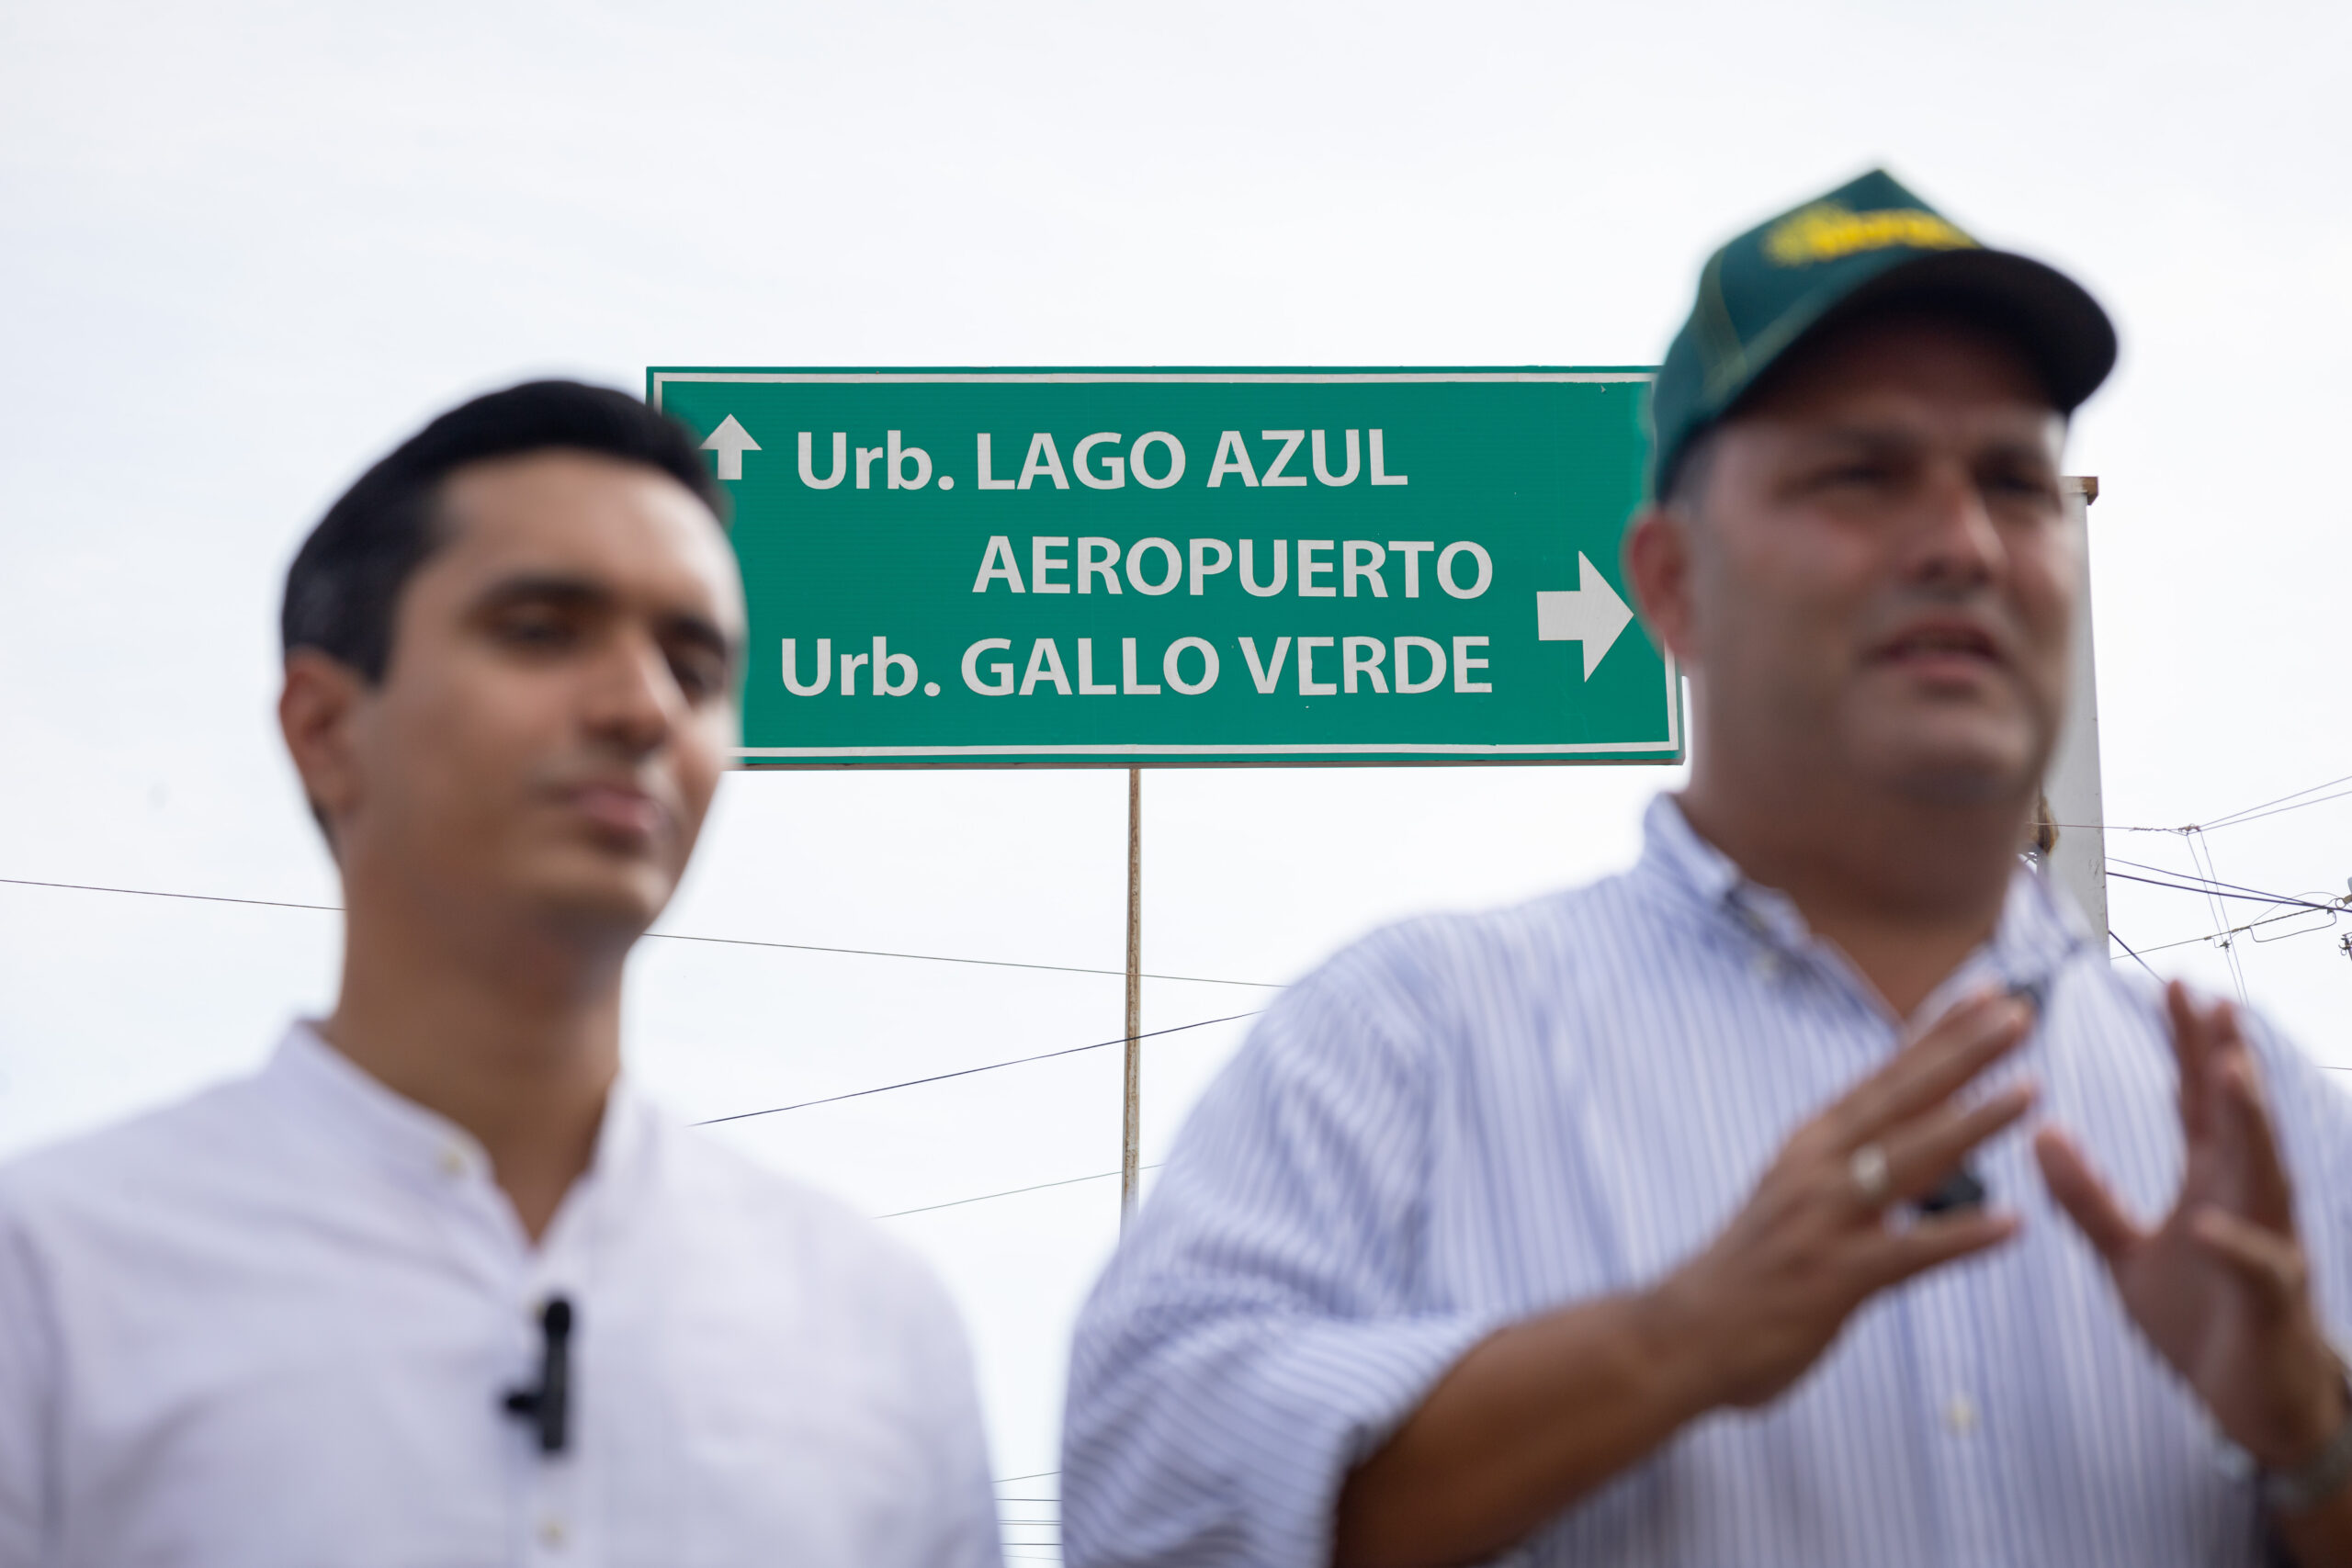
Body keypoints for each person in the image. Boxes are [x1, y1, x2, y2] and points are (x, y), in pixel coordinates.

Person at [1060, 171, 2352, 1567]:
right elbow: (1147, 1513)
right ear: (1670, 585)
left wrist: (2311, 1440)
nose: (1962, 543)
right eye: (1859, 473)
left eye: (2013, 483)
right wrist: (1678, 1340)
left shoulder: (2251, 1111)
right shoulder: (1398, 1044)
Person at [0, 381, 1003, 1567]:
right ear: (324, 728)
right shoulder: (53, 1282)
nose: (642, 707)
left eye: (695, 668)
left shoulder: (878, 1328)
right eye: (542, 631)